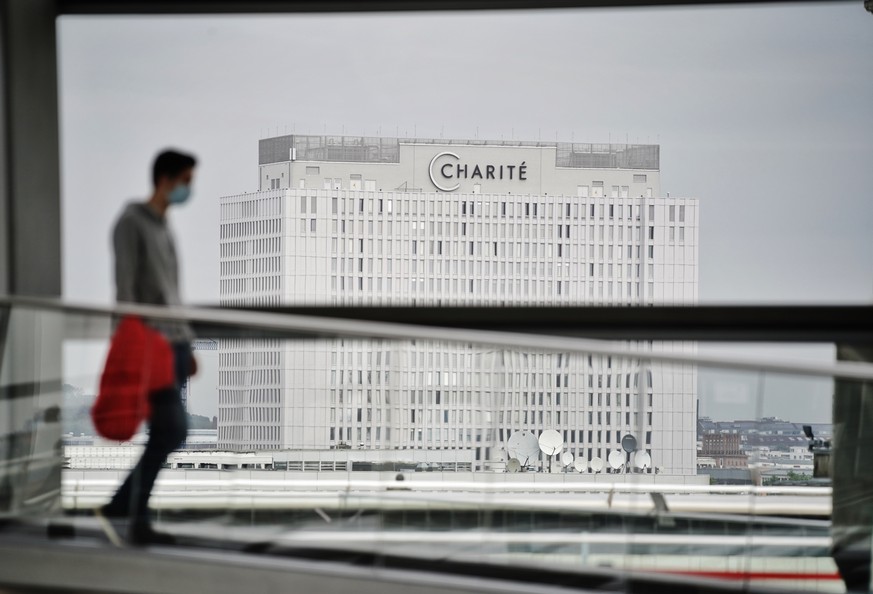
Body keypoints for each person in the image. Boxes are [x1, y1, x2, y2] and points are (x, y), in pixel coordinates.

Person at [95, 149, 198, 546]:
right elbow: (126, 291)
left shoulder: (164, 226)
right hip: (149, 346)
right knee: (171, 429)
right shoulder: (131, 223)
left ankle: (128, 513)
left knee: (168, 431)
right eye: (187, 181)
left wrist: (186, 344)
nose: (190, 189)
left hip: (171, 345)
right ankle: (127, 511)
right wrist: (129, 344)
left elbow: (172, 294)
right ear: (166, 179)